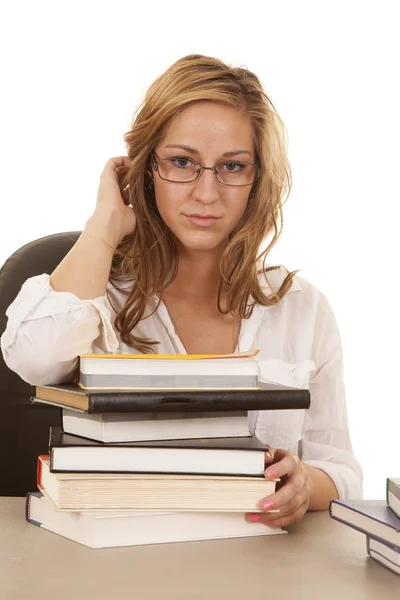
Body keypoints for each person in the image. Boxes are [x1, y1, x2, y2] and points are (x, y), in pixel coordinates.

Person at [0, 54, 362, 528]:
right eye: (182, 162)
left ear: (258, 180)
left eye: (232, 166)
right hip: (118, 563)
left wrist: (305, 485)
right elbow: (31, 357)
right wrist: (104, 227)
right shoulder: (95, 293)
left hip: (261, 563)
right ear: (144, 169)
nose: (206, 193)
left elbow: (343, 471)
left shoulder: (302, 307)